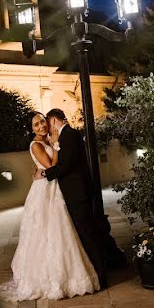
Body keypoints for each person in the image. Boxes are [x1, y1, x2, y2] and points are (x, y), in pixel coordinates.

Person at [0, 112, 100, 300]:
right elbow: (52, 165)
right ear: (31, 129)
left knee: (63, 229)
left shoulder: (48, 141)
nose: (41, 126)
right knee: (48, 229)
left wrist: (53, 144)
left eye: (42, 122)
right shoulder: (37, 145)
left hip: (56, 187)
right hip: (45, 191)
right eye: (36, 125)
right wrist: (54, 145)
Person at [41, 108, 109, 290]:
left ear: (54, 120)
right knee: (85, 233)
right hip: (75, 192)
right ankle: (97, 271)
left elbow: (66, 165)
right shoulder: (65, 136)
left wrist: (45, 173)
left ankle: (102, 276)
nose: (47, 128)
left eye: (48, 124)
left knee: (88, 233)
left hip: (78, 193)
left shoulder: (69, 135)